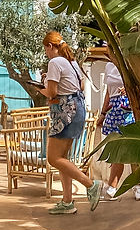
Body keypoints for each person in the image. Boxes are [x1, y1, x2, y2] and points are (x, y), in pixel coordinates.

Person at [42, 31, 101, 215]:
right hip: (78, 108)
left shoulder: (55, 62)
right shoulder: (72, 62)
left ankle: (91, 185)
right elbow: (81, 86)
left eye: (46, 50)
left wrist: (40, 88)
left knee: (53, 158)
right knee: (63, 157)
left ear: (51, 46)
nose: (47, 54)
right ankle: (67, 201)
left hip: (65, 112)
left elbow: (51, 93)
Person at [100, 60, 140, 200]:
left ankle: (138, 186)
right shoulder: (109, 65)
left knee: (132, 149)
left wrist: (129, 90)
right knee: (116, 149)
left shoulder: (130, 62)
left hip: (129, 106)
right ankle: (112, 187)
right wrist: (102, 113)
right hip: (114, 108)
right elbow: (109, 91)